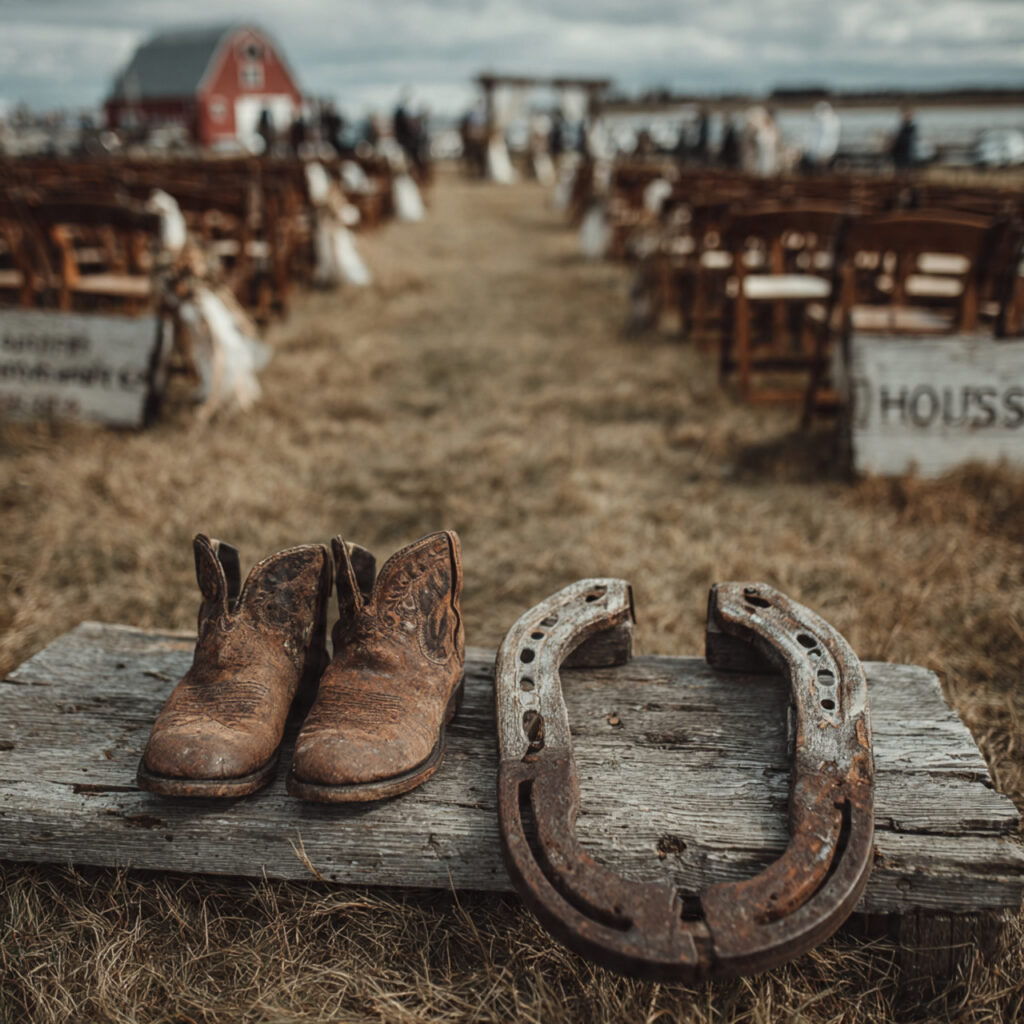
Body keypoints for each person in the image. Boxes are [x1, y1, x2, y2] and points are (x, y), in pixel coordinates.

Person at [805, 100, 840, 172]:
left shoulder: (833, 121)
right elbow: (812, 138)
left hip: (825, 154)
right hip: (818, 155)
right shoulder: (815, 121)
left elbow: (831, 138)